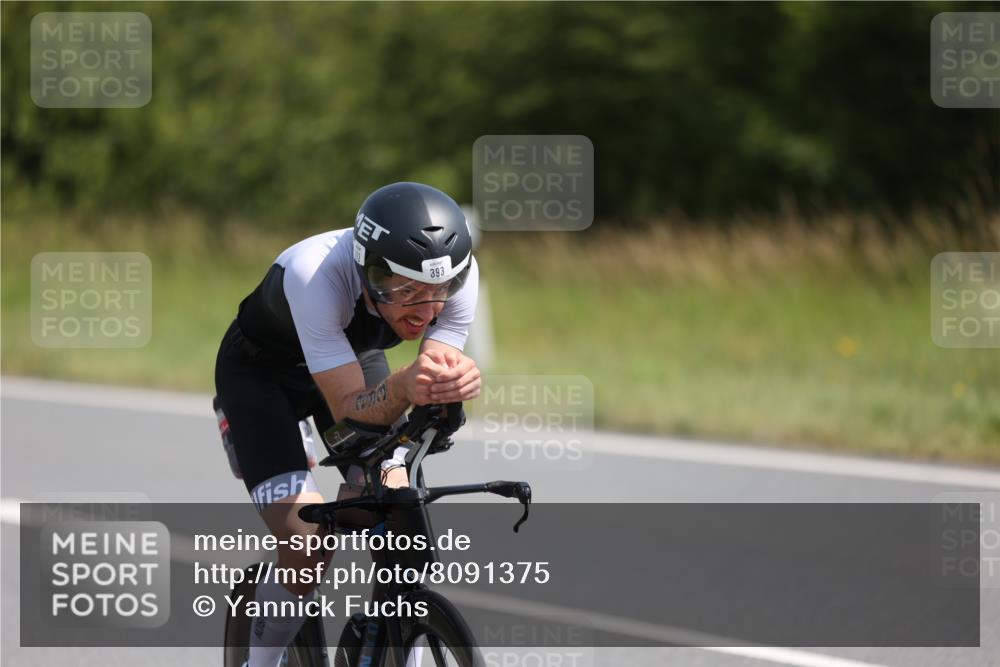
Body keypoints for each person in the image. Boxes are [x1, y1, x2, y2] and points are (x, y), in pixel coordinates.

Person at [213, 182, 482, 667]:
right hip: (262, 379)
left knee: (396, 498)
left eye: (440, 291)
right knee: (305, 541)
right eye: (406, 292)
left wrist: (450, 383)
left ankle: (391, 632)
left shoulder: (456, 273)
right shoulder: (314, 273)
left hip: (353, 359)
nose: (426, 311)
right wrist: (405, 387)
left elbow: (433, 372)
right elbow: (350, 411)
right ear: (368, 270)